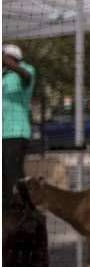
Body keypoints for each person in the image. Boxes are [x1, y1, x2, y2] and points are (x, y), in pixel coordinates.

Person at [3, 44, 36, 208]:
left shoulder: (25, 69)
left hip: (16, 132)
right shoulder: (3, 75)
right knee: (5, 176)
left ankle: (26, 210)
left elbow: (26, 76)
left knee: (12, 174)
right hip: (3, 133)